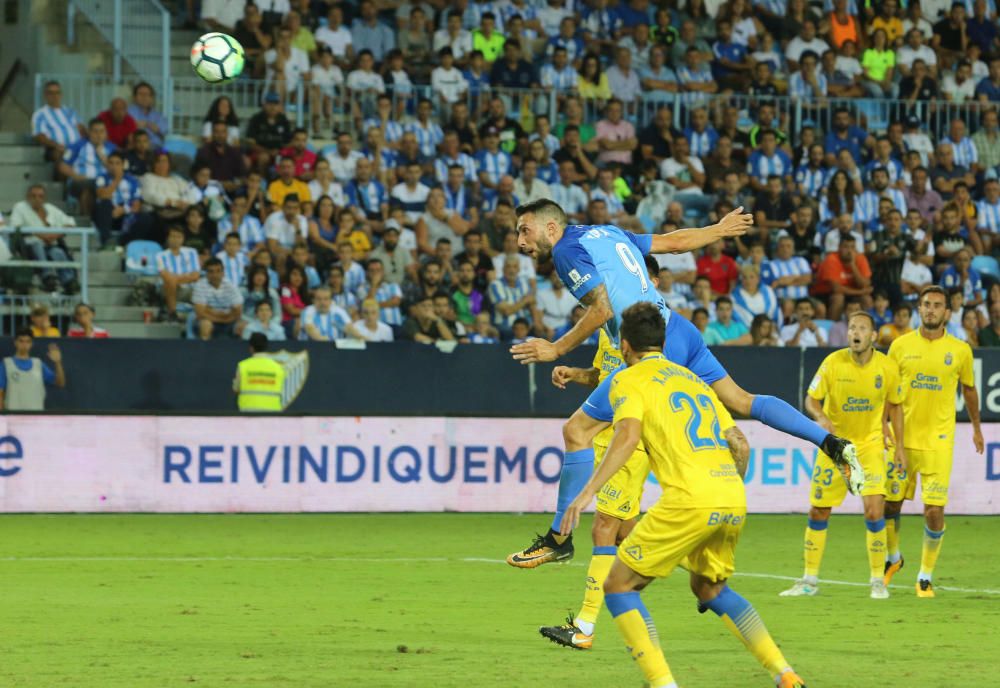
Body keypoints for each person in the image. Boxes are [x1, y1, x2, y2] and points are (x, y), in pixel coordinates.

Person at [507, 199, 862, 567]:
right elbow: (671, 243)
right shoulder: (607, 233)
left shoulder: (566, 250)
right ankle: (832, 443)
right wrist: (718, 230)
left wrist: (556, 348)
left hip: (651, 351)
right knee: (741, 400)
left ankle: (559, 538)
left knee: (578, 431)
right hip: (678, 330)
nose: (519, 240)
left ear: (551, 228)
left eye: (524, 229)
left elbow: (602, 309)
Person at [559, 302, 807, 688]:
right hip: (731, 494)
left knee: (618, 586)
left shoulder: (628, 379)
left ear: (624, 346)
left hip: (689, 498)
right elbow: (739, 443)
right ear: (662, 341)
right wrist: (727, 491)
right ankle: (785, 675)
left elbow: (627, 437)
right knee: (709, 588)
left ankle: (663, 684)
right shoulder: (695, 381)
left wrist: (585, 493)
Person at [780, 311, 904, 600]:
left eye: (862, 328)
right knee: (818, 511)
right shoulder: (833, 362)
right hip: (834, 447)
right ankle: (809, 580)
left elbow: (896, 405)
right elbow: (812, 399)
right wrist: (821, 418)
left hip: (871, 447)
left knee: (874, 511)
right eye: (851, 328)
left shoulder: (887, 368)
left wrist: (898, 445)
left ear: (873, 336)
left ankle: (877, 581)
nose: (855, 333)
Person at [884, 286, 983, 597]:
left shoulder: (961, 350)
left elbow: (969, 389)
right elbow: (887, 390)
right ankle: (893, 558)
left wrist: (977, 427)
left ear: (947, 313)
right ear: (919, 308)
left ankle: (925, 576)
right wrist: (883, 425)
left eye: (937, 306)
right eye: (926, 304)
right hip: (901, 440)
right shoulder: (899, 346)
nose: (931, 310)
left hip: (939, 441)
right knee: (890, 505)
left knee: (934, 511)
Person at [10, 184, 79, 294]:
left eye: (40, 196)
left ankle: (69, 281)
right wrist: (41, 235)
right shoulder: (20, 207)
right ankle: (47, 277)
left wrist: (55, 235)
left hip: (50, 244)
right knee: (37, 244)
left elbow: (70, 222)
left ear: (44, 198)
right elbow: (16, 227)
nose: (37, 199)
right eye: (34, 196)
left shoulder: (50, 209)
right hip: (29, 246)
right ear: (28, 197)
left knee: (58, 252)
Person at [0, 328, 65, 411]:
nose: (24, 344)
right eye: (21, 341)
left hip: (36, 418)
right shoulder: (6, 364)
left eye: (28, 341)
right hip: (13, 418)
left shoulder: (38, 364)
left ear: (32, 344)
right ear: (15, 342)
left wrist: (58, 363)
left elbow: (60, 383)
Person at [156, 225, 202, 322]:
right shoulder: (160, 256)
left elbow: (196, 275)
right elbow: (166, 276)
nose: (175, 239)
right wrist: (185, 277)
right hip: (168, 289)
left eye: (178, 237)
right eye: (172, 236)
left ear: (183, 239)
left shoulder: (192, 252)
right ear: (168, 238)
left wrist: (176, 278)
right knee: (170, 282)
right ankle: (173, 313)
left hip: (189, 289)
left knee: (202, 286)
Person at [192, 257, 243, 340]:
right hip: (209, 321)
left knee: (242, 326)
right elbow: (200, 313)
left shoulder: (231, 285)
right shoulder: (200, 285)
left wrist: (210, 310)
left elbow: (238, 312)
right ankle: (204, 351)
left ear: (223, 273)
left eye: (218, 271)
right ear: (206, 273)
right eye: (211, 271)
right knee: (205, 325)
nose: (215, 275)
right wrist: (224, 317)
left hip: (229, 322)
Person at [233, 333, 285, 413]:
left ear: (251, 348)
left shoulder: (243, 366)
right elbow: (282, 391)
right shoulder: (278, 367)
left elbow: (236, 389)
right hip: (272, 412)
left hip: (248, 411)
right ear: (266, 347)